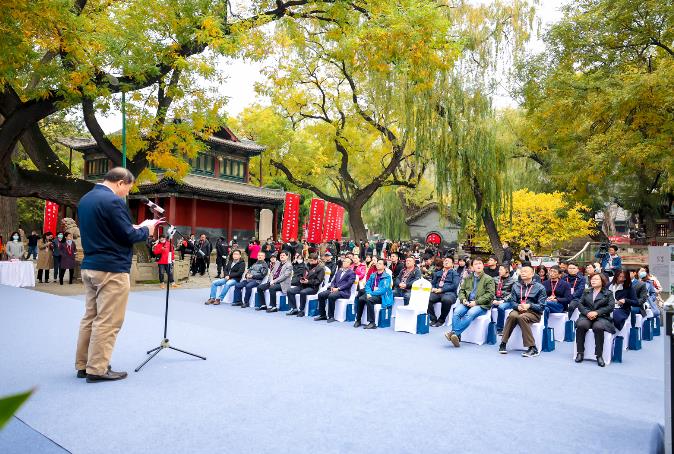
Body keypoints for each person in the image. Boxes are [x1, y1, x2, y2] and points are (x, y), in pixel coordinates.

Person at [76, 167, 157, 382]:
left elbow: (108, 228)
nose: (127, 193)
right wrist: (147, 229)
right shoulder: (113, 201)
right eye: (128, 188)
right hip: (111, 268)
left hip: (91, 264)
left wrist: (135, 226)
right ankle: (98, 368)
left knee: (90, 317)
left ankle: (83, 364)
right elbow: (128, 235)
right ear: (121, 182)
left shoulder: (86, 199)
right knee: (108, 321)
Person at [498, 265, 547, 357]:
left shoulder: (540, 287)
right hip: (519, 309)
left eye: (526, 271)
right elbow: (512, 302)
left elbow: (542, 306)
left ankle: (532, 347)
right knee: (512, 315)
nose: (523, 273)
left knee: (522, 317)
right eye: (522, 271)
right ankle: (503, 343)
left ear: (532, 274)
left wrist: (529, 305)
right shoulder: (516, 285)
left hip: (533, 312)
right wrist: (517, 306)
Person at [445, 258, 495, 347]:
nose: (478, 265)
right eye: (476, 264)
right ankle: (456, 336)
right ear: (472, 267)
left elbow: (490, 295)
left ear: (483, 265)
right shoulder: (468, 278)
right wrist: (463, 299)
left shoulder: (489, 279)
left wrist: (476, 302)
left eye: (480, 263)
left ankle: (454, 334)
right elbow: (461, 291)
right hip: (467, 302)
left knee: (470, 313)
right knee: (456, 311)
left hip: (481, 304)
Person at [574, 273, 616, 367]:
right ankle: (580, 352)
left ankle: (599, 355)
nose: (593, 281)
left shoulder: (608, 293)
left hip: (602, 317)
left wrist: (597, 312)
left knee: (598, 327)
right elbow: (580, 304)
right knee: (581, 325)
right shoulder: (586, 291)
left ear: (602, 281)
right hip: (586, 316)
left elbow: (610, 307)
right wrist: (587, 313)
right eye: (592, 279)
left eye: (596, 279)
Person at [353, 258, 393, 329]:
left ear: (384, 266)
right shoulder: (373, 275)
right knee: (361, 299)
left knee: (370, 300)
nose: (378, 264)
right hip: (372, 293)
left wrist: (371, 294)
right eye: (377, 263)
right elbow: (367, 285)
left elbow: (383, 290)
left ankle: (372, 323)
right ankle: (358, 320)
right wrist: (368, 293)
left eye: (380, 263)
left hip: (382, 296)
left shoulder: (387, 277)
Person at [314, 257, 355, 322]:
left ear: (350, 265)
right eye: (344, 261)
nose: (344, 262)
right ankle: (323, 315)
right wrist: (332, 287)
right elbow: (333, 281)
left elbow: (349, 284)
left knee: (331, 296)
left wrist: (338, 289)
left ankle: (331, 316)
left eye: (347, 262)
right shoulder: (339, 271)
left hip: (343, 292)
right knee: (321, 295)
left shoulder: (352, 273)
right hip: (334, 289)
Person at [427, 257, 459, 327]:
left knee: (446, 300)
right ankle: (433, 319)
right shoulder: (437, 273)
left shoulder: (455, 273)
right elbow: (432, 283)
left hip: (449, 293)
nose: (446, 262)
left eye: (448, 261)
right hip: (437, 292)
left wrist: (442, 290)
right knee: (426, 298)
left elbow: (454, 285)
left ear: (452, 264)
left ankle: (441, 319)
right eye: (445, 261)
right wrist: (433, 288)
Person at [492, 264, 515, 333]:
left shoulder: (513, 281)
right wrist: (494, 299)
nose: (499, 271)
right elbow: (491, 291)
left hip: (508, 301)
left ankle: (499, 329)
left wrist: (503, 300)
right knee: (486, 304)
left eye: (501, 269)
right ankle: (491, 325)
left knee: (501, 307)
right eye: (499, 269)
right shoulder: (495, 279)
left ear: (507, 271)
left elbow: (513, 294)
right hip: (496, 299)